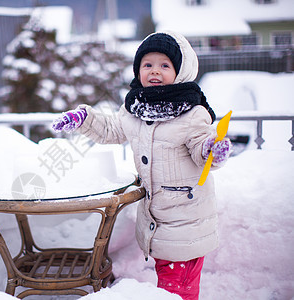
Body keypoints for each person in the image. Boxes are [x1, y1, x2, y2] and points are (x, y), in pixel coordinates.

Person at [52, 31, 232, 300]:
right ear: (138, 70)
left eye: (164, 65)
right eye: (147, 65)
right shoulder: (136, 107)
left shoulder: (192, 112)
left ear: (180, 72)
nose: (155, 71)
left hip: (185, 223)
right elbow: (113, 128)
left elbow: (200, 145)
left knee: (177, 290)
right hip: (158, 221)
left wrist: (211, 150)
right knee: (173, 286)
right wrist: (84, 119)